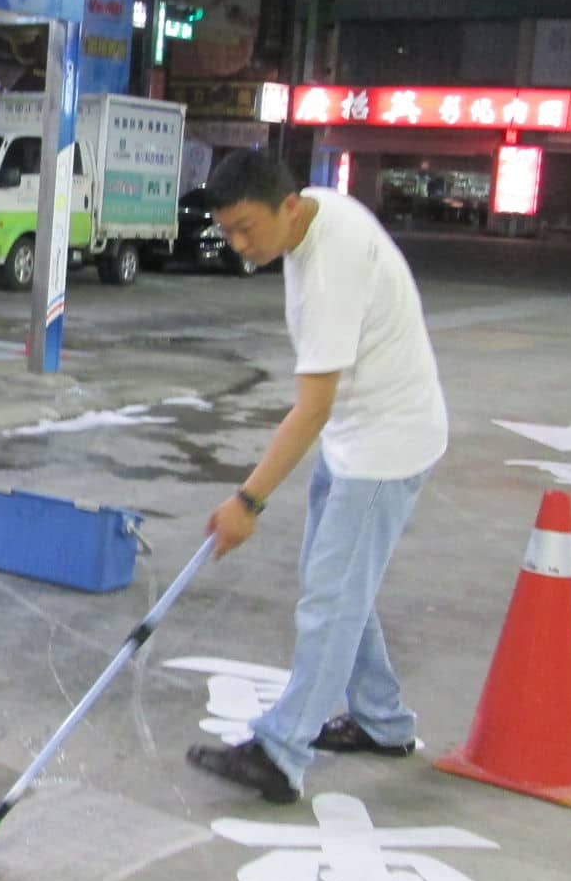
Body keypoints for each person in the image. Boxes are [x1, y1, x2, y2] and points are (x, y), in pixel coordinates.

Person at [184, 150, 449, 805]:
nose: (240, 244)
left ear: (289, 207)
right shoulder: (316, 216)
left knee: (331, 596)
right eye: (228, 232)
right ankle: (383, 721)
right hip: (357, 435)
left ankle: (281, 752)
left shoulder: (327, 268)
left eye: (248, 228)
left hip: (384, 445)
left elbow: (312, 405)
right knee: (333, 581)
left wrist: (248, 500)